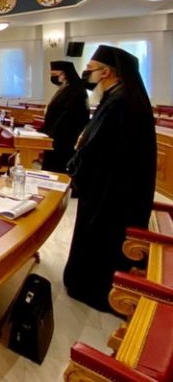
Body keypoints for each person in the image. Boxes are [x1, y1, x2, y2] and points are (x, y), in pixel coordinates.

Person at [64, 45, 156, 312]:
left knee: (101, 241)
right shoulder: (118, 96)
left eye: (90, 69)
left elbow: (96, 148)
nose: (87, 74)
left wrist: (76, 161)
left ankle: (93, 289)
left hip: (111, 190)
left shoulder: (120, 101)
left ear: (106, 72)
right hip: (110, 184)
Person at [38, 61, 90, 173]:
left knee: (57, 169)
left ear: (64, 74)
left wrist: (51, 134)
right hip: (56, 137)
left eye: (54, 74)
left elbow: (68, 116)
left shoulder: (76, 90)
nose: (52, 77)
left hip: (65, 139)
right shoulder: (66, 87)